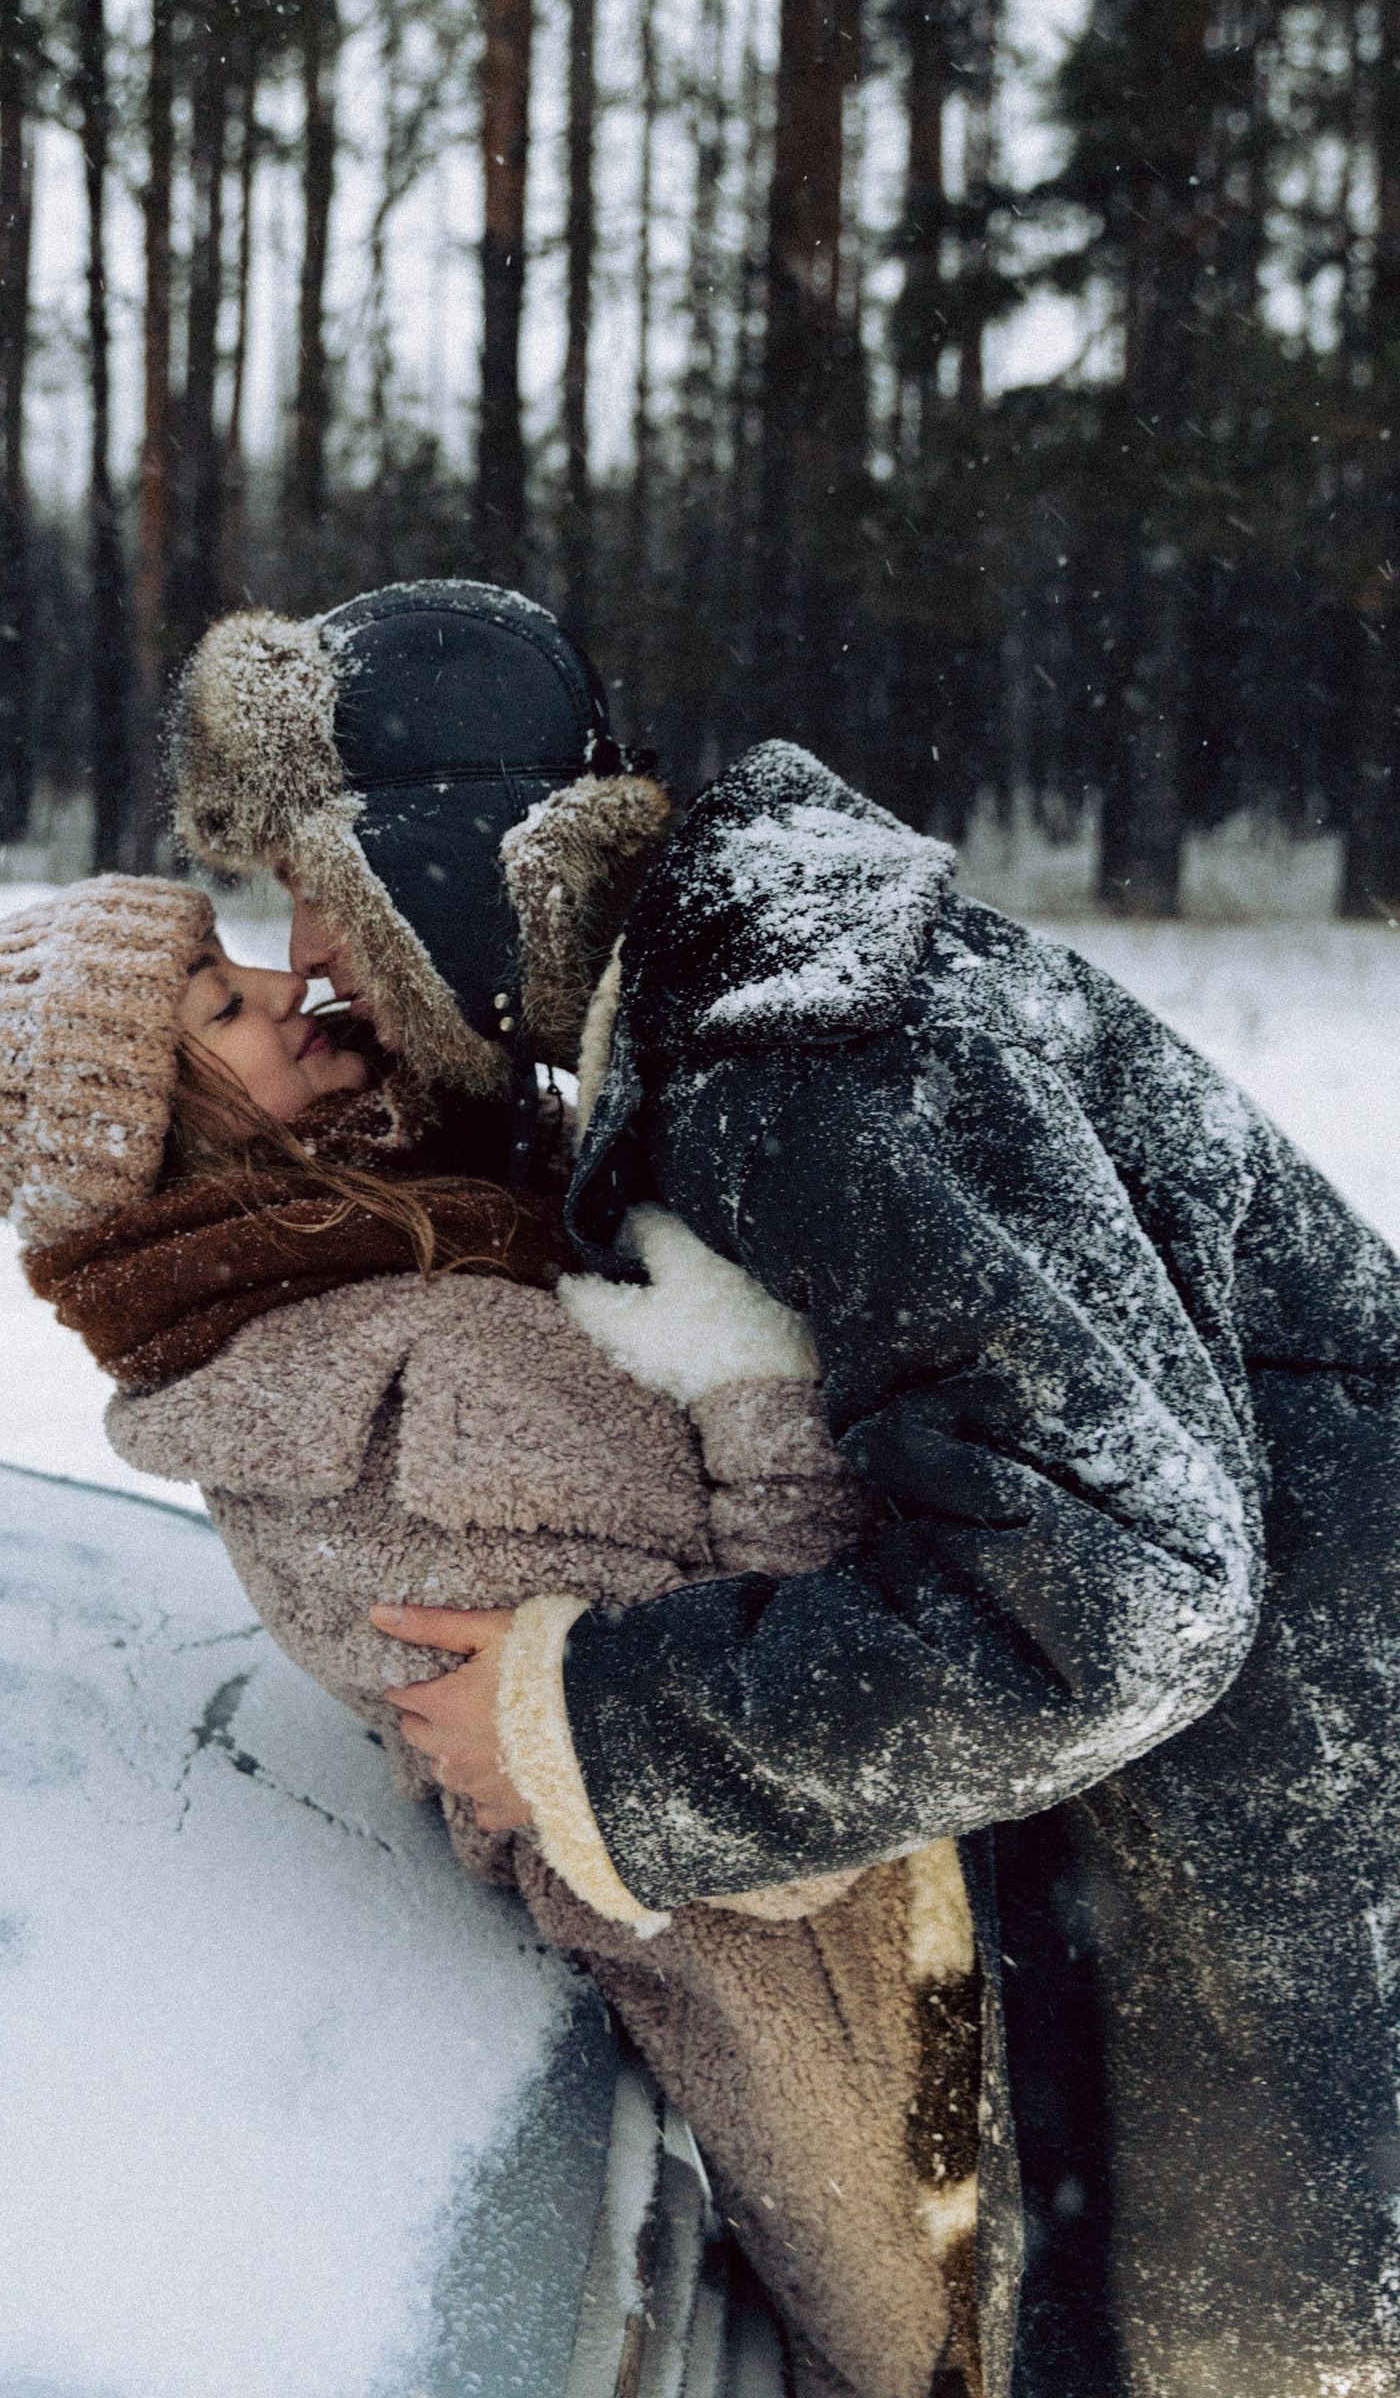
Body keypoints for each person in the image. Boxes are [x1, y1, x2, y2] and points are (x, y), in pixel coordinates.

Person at [169, 576, 1400, 2398]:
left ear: (438, 862)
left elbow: (1130, 1589)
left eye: (315, 882)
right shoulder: (745, 999)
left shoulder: (813, 1056)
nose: (313, 954)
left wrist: (598, 1734)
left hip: (1288, 1893)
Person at [0, 875, 985, 2398]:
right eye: (221, 1006)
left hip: (948, 1928)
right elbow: (756, 1782)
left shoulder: (399, 1252)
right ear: (158, 1131)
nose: (282, 990)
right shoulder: (392, 1410)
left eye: (242, 963)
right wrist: (752, 1370)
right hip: (878, 2041)